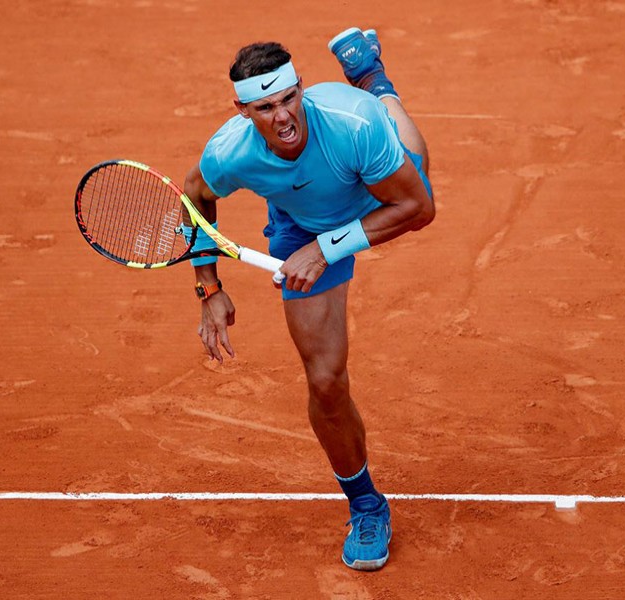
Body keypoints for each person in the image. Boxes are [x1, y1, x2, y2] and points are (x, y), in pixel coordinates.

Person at [182, 27, 435, 571]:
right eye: (266, 107)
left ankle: (372, 76)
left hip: (368, 187)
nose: (283, 117)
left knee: (418, 168)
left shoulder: (351, 122)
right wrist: (209, 287)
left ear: (303, 87)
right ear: (243, 111)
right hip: (299, 224)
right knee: (325, 381)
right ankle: (366, 504)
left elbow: (418, 208)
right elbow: (195, 198)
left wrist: (328, 248)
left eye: (290, 98)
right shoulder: (230, 153)